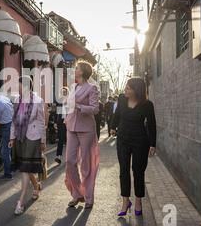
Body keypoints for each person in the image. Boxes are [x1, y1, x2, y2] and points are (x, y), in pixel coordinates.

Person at [111, 78, 157, 216]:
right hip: (123, 139)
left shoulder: (147, 105)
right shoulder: (122, 99)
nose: (125, 90)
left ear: (136, 90)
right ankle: (125, 201)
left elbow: (151, 125)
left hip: (140, 141)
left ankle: (138, 200)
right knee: (123, 169)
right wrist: (113, 127)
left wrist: (152, 144)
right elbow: (117, 114)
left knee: (138, 170)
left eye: (128, 88)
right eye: (126, 87)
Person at [64, 61, 100, 209]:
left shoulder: (92, 88)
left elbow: (95, 109)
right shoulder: (73, 87)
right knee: (70, 161)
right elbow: (69, 105)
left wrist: (78, 106)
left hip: (86, 128)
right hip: (71, 126)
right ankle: (77, 193)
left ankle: (89, 197)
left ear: (83, 71)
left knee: (86, 164)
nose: (74, 69)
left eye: (76, 68)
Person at [9, 76, 46, 215]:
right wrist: (12, 137)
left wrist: (43, 140)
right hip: (20, 137)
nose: (15, 88)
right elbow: (14, 121)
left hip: (33, 136)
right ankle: (36, 186)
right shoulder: (17, 100)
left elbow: (42, 122)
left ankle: (21, 201)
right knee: (26, 166)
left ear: (24, 86)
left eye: (17, 85)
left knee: (25, 168)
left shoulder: (37, 101)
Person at [55, 86, 69, 165]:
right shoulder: (59, 101)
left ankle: (69, 158)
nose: (63, 93)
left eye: (65, 92)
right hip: (60, 123)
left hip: (69, 123)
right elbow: (57, 112)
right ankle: (58, 157)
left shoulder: (71, 101)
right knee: (60, 140)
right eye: (62, 92)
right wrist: (55, 122)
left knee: (68, 141)